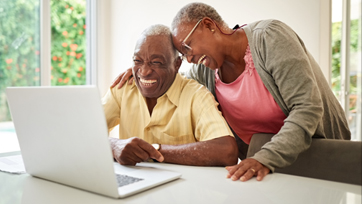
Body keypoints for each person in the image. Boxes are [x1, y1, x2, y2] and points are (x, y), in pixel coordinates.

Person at [111, 3, 350, 182]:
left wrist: (264, 157)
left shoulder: (270, 37)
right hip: (264, 168)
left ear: (209, 25)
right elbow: (174, 79)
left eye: (187, 46)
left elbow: (307, 108)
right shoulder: (205, 72)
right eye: (183, 55)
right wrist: (144, 69)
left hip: (319, 154)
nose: (190, 58)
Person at [103, 24, 238, 167]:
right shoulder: (122, 89)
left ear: (177, 64)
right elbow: (81, 131)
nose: (144, 72)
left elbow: (226, 151)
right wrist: (113, 145)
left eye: (156, 62)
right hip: (133, 185)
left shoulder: (196, 96)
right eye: (138, 61)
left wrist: (153, 150)